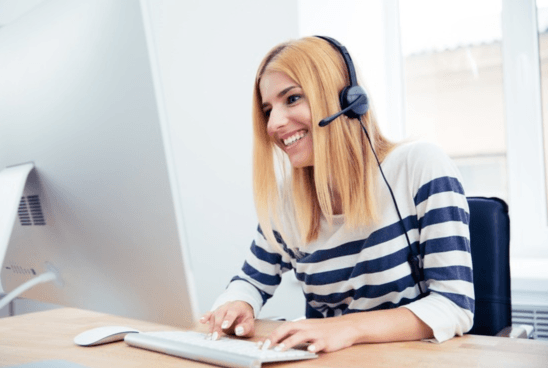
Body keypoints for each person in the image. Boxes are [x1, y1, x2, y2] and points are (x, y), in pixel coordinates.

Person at [199, 36, 474, 354]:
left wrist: (349, 328)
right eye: (267, 109)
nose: (274, 123)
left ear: (346, 100)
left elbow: (454, 306)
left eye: (292, 99)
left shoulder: (418, 167)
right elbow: (250, 280)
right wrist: (237, 303)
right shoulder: (287, 202)